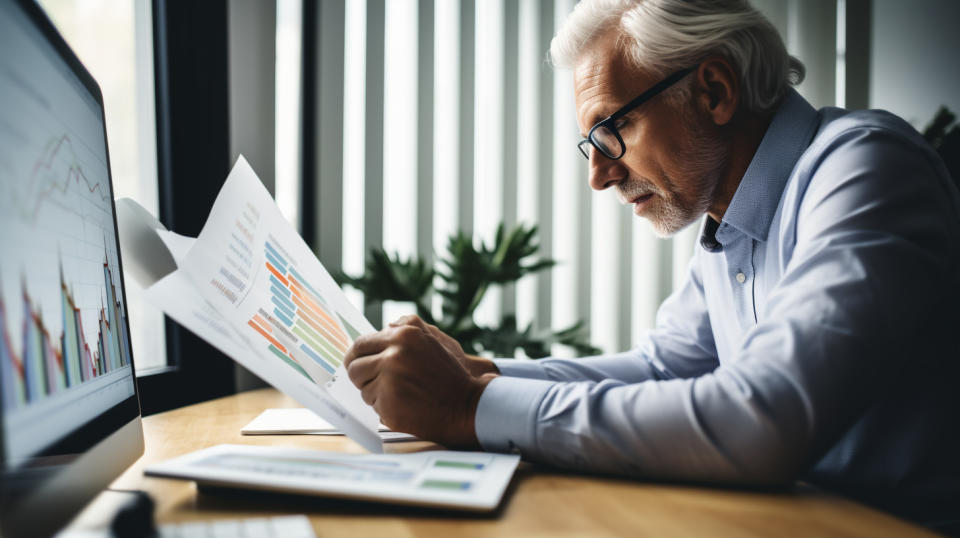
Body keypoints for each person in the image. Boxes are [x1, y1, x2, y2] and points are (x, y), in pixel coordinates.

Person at [343, 0, 960, 528]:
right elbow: (662, 369)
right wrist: (481, 372)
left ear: (714, 91)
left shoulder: (867, 168)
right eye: (591, 145)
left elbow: (762, 419)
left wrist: (469, 407)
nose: (599, 174)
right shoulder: (733, 221)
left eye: (613, 129)